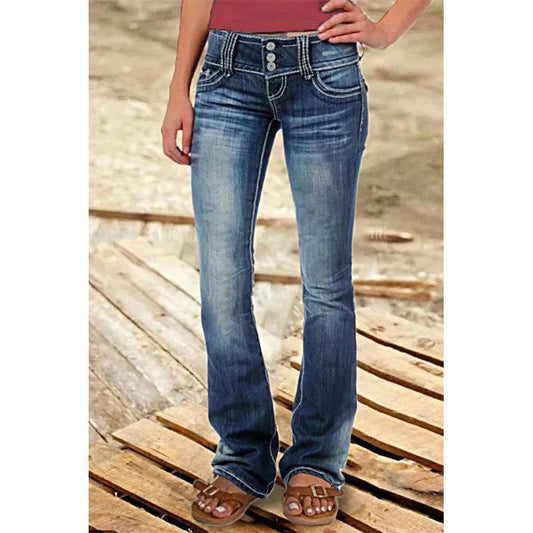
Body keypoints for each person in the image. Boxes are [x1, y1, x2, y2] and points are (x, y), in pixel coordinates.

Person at [161, 0, 431, 526]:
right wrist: (179, 87)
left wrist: (385, 30)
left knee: (326, 287)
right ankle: (242, 458)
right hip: (226, 73)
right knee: (221, 282)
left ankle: (317, 461)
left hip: (323, 71)